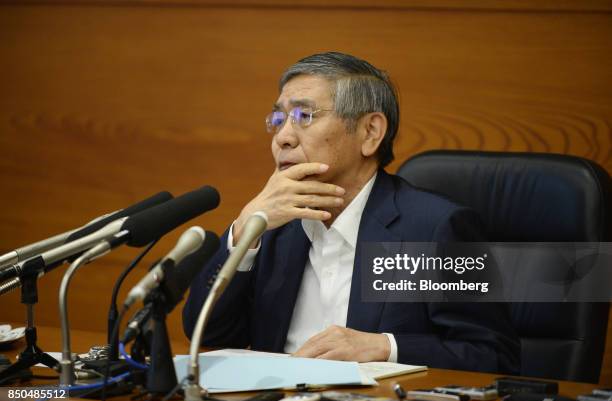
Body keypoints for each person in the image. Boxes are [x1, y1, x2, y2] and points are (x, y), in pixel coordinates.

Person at [183, 52, 520, 373]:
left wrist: (385, 347)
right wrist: (245, 232)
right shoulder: (271, 226)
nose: (283, 137)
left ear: (370, 132)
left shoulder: (434, 229)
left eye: (304, 116)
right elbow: (210, 334)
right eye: (278, 119)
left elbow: (493, 355)